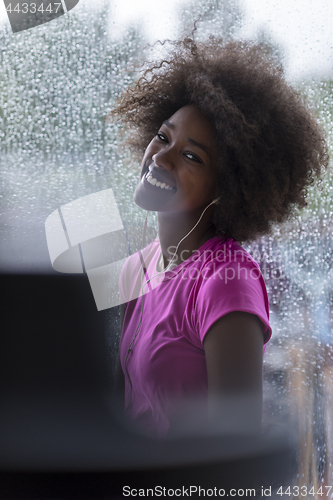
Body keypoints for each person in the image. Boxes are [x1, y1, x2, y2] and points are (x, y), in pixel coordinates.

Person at [111, 36, 328, 437]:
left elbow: (234, 459)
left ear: (229, 187)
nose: (160, 157)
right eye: (163, 136)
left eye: (192, 156)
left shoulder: (227, 284)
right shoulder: (134, 268)